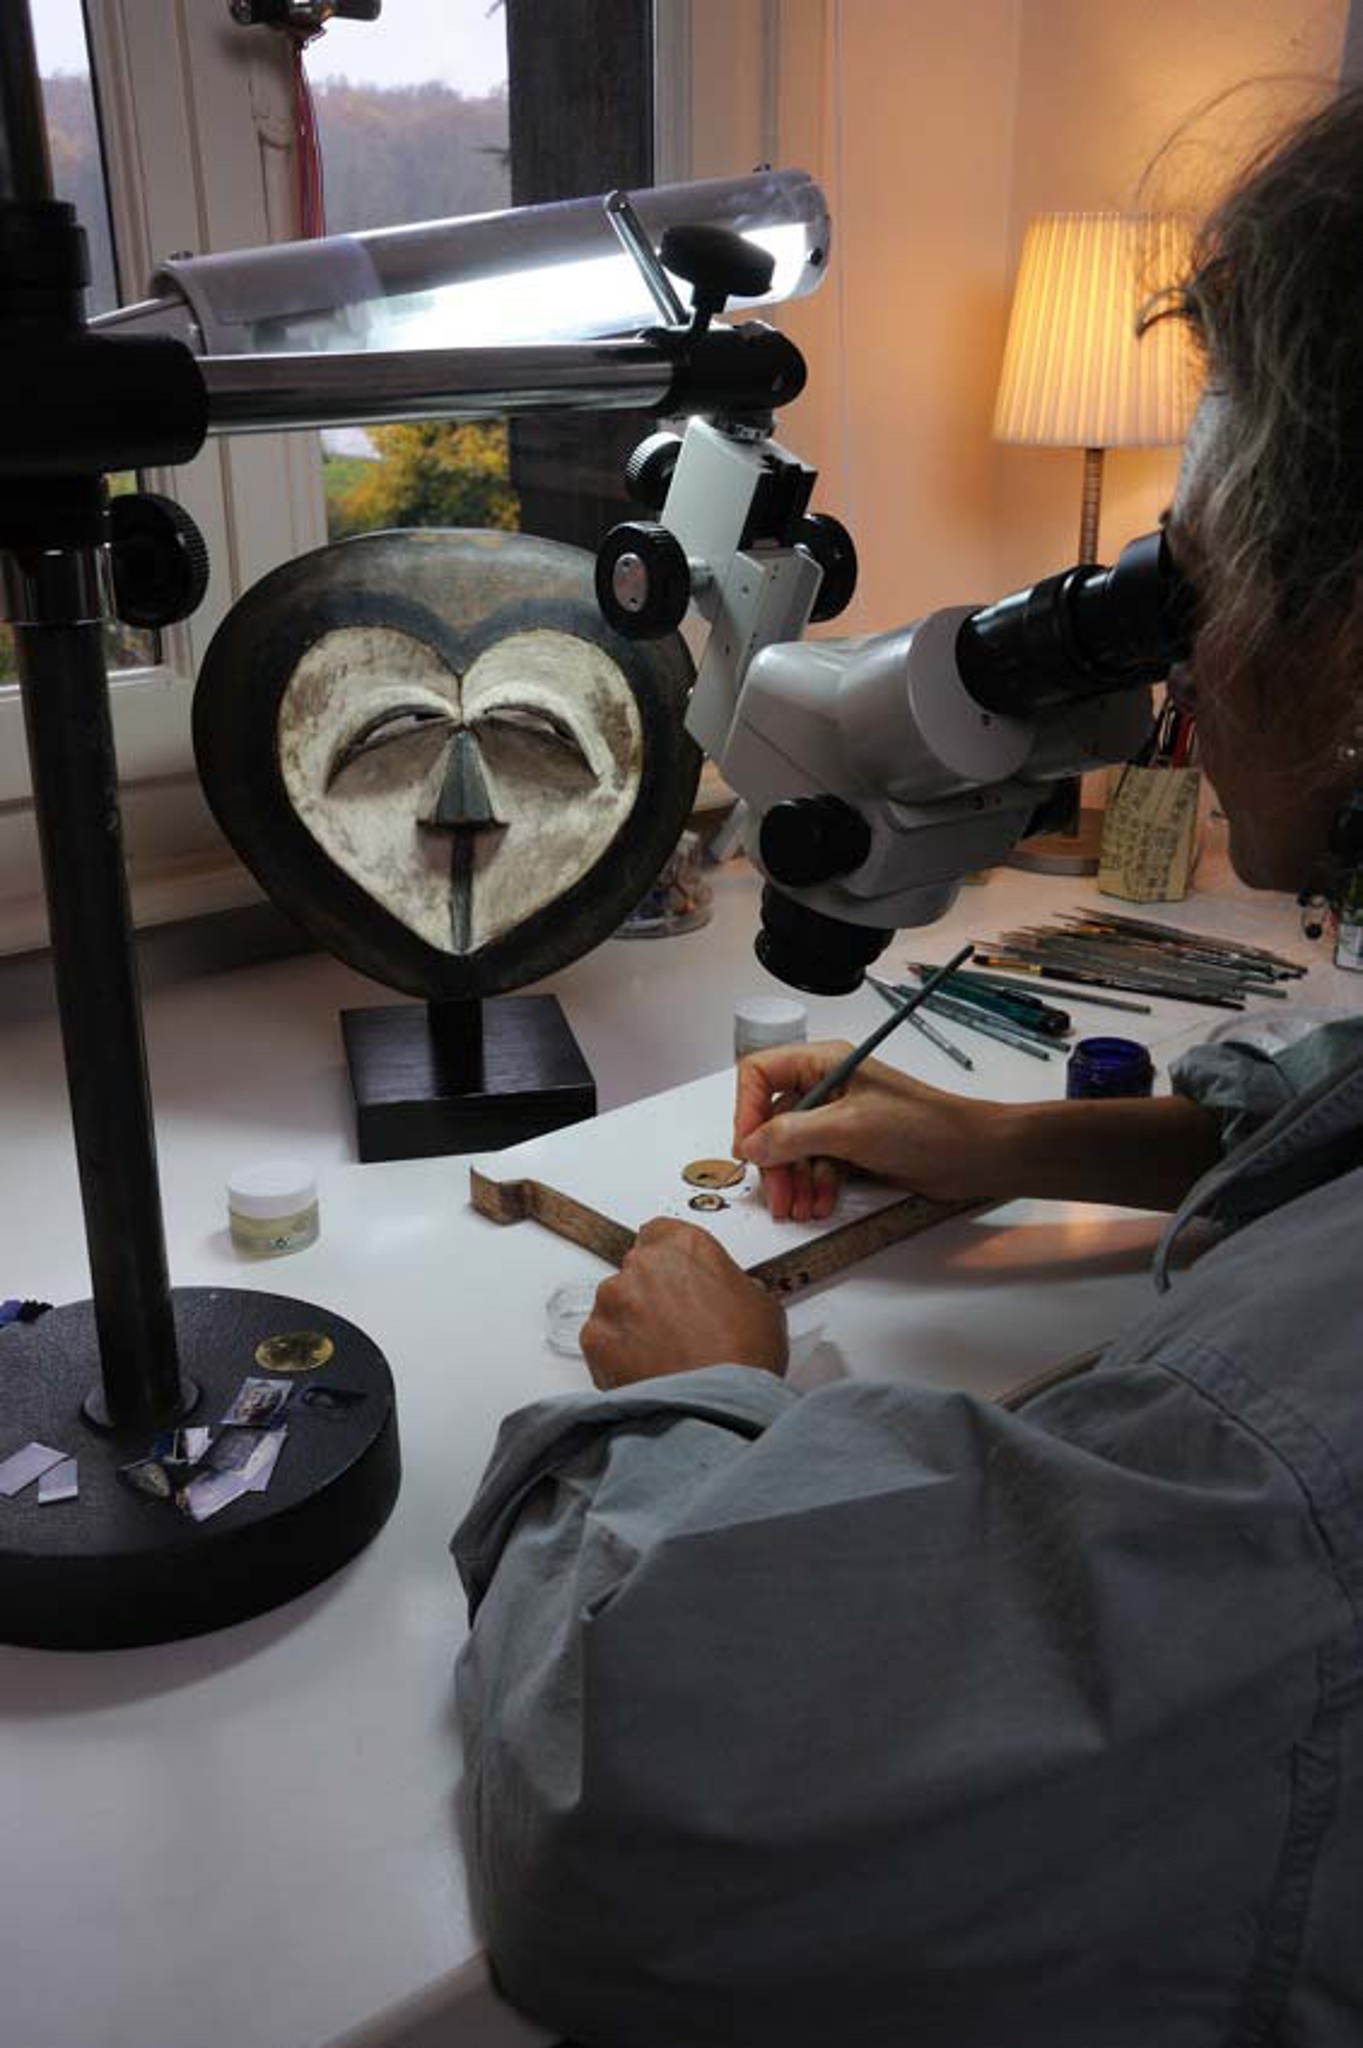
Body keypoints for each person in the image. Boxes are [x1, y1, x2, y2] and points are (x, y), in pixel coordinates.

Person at [452, 88, 1363, 2048]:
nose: (1176, 683)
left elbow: (628, 1835)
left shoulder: (1281, 1450)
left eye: (1195, 585)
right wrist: (1009, 1141)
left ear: (1353, 656)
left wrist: (696, 1399)